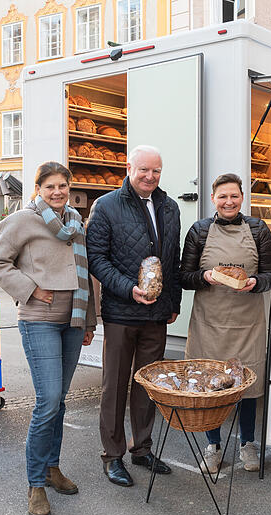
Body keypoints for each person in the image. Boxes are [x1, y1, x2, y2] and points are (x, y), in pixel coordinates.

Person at [0, 161, 95, 515]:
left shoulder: (76, 222)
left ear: (69, 188)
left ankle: (52, 468)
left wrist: (89, 321)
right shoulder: (22, 220)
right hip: (39, 320)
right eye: (50, 186)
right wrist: (30, 289)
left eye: (62, 186)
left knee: (59, 401)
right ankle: (35, 484)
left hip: (73, 320)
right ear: (38, 189)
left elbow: (86, 274)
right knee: (47, 401)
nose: (57, 192)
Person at [86, 145, 182, 487]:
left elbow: (173, 259)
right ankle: (112, 455)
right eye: (144, 170)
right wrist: (128, 288)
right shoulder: (106, 205)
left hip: (156, 313)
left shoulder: (169, 207)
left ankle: (141, 448)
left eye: (156, 171)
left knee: (148, 384)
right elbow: (96, 258)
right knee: (114, 386)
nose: (150, 176)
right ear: (129, 168)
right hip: (121, 312)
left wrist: (173, 302)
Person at [180, 173, 271, 473]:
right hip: (209, 323)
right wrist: (204, 276)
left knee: (247, 385)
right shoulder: (199, 231)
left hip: (247, 324)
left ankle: (248, 443)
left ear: (242, 198)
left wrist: (255, 282)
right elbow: (184, 277)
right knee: (211, 385)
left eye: (234, 196)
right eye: (223, 196)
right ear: (213, 199)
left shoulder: (258, 229)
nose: (229, 201)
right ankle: (214, 446)